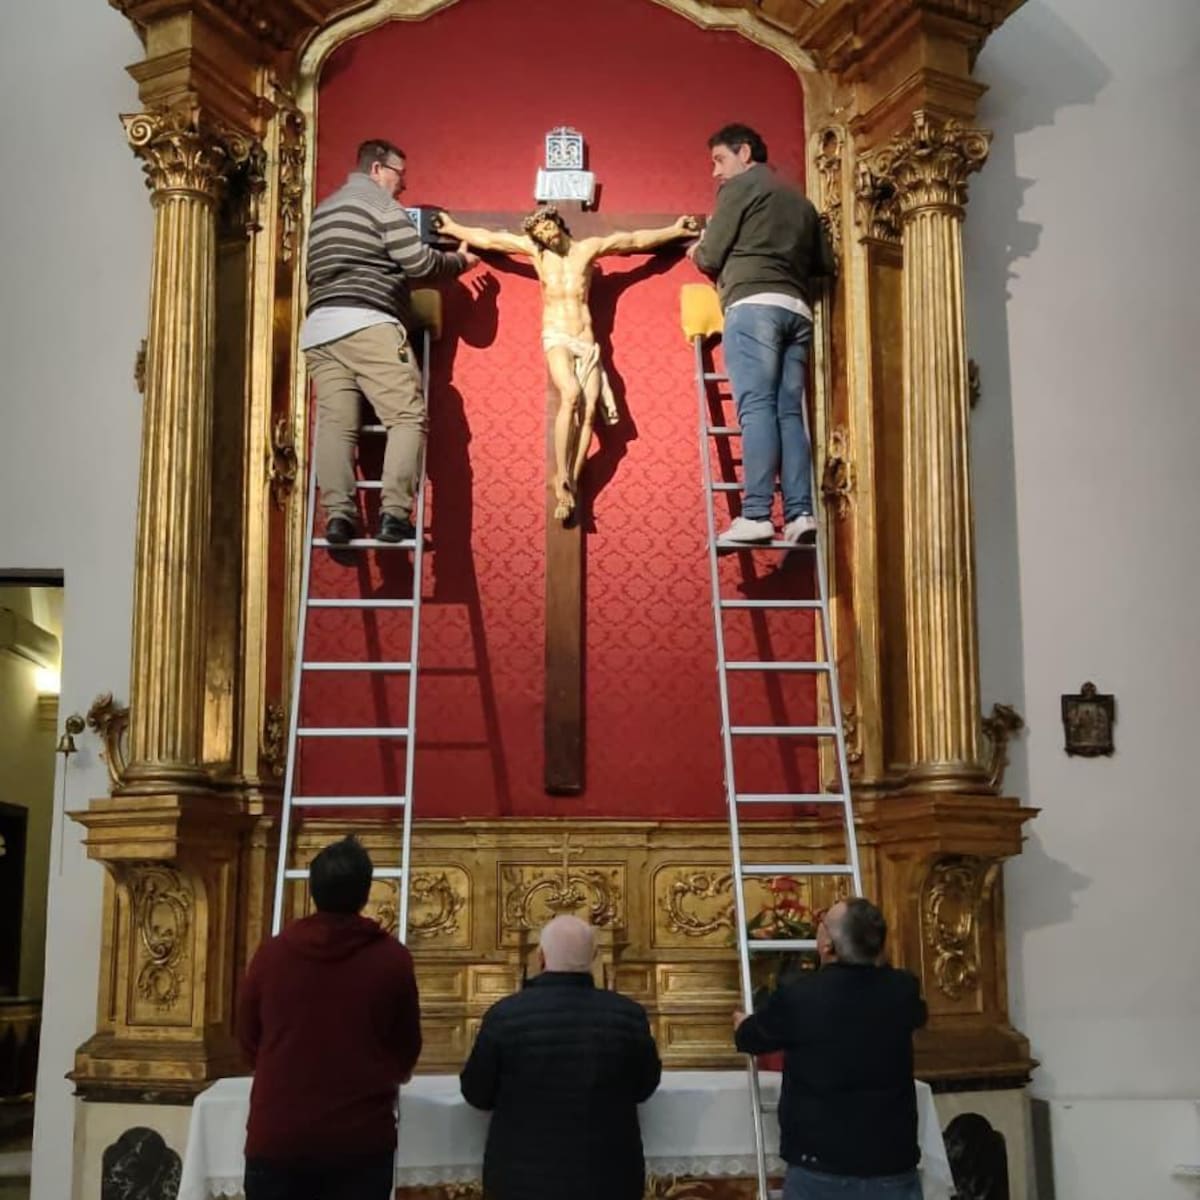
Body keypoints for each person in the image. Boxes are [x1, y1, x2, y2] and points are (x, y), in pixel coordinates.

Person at [436, 206, 697, 519]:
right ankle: (560, 473)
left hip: (586, 340)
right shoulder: (536, 253)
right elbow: (491, 240)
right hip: (557, 335)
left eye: (547, 228)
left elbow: (633, 240)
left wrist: (676, 231)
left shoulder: (586, 250)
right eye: (540, 233)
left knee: (588, 414)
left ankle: (570, 480)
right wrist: (453, 228)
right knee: (570, 395)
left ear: (557, 223)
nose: (546, 235)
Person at [302, 139, 479, 546]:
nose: (404, 187)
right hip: (368, 322)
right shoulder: (382, 206)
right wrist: (458, 264)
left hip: (319, 329)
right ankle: (395, 514)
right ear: (379, 169)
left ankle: (339, 518)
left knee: (336, 424)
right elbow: (418, 263)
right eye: (401, 175)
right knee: (406, 416)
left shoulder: (323, 211)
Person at [236, 836, 421, 1200]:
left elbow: (247, 1038)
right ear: (366, 892)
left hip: (279, 1137)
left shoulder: (272, 955)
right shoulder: (392, 960)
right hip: (360, 1143)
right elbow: (406, 1049)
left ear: (312, 888)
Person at [688, 123, 835, 547]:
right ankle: (800, 513)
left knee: (755, 410)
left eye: (719, 159)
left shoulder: (741, 187)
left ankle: (755, 515)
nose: (716, 172)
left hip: (753, 307)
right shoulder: (802, 203)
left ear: (745, 152)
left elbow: (711, 254)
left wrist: (697, 251)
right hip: (797, 311)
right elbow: (823, 263)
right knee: (789, 412)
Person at [733, 897, 928, 1199]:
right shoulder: (903, 990)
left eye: (822, 925)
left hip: (821, 1168)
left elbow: (751, 1038)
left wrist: (743, 1023)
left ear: (827, 945)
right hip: (891, 1162)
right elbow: (914, 1013)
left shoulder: (801, 996)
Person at [460, 914, 662, 1200]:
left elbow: (477, 1092)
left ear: (540, 958)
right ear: (593, 957)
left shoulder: (505, 1015)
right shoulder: (628, 1015)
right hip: (608, 1175)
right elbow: (645, 1086)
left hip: (522, 1178)